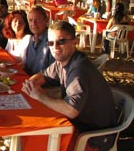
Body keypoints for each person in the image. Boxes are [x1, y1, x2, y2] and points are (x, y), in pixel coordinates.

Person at [22, 21, 117, 150]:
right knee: (32, 135)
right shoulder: (63, 61)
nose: (55, 47)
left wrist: (39, 96)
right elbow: (43, 75)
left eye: (61, 41)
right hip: (78, 125)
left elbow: (71, 110)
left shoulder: (79, 70)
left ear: (74, 42)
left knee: (36, 139)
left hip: (93, 137)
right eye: (50, 43)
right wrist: (32, 82)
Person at [23, 6, 55, 75]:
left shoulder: (52, 41)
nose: (33, 24)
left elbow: (54, 74)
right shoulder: (31, 40)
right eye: (31, 20)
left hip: (43, 84)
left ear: (46, 20)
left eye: (37, 20)